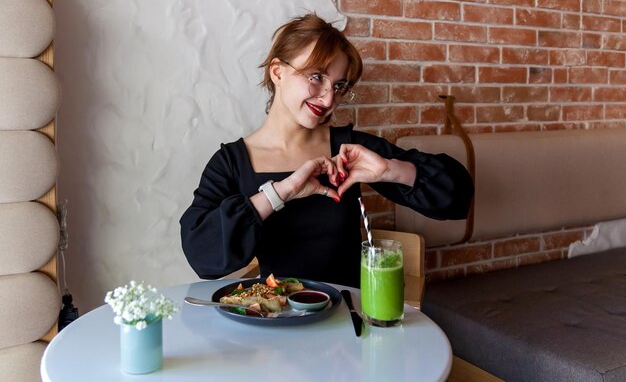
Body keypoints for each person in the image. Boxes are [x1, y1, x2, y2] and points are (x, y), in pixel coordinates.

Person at [180, 14, 473, 288]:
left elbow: (458, 197)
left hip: (348, 322)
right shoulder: (231, 162)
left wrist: (391, 170)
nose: (329, 96)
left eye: (339, 85)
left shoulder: (347, 148)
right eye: (317, 76)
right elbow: (202, 256)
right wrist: (280, 192)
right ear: (278, 72)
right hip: (272, 327)